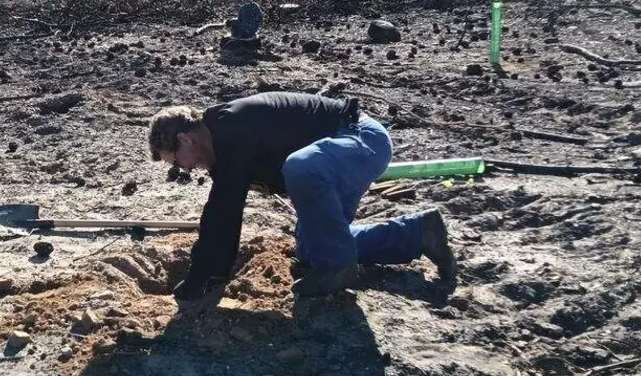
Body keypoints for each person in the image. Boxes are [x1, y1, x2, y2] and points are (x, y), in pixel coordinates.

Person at [147, 92, 457, 302]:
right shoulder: (220, 145)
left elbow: (223, 209)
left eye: (176, 161)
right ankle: (419, 233)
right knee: (313, 253)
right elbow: (225, 209)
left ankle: (338, 266)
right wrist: (212, 274)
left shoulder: (231, 128)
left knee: (300, 167)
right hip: (339, 155)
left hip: (361, 139)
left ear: (184, 139)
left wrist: (201, 276)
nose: (184, 169)